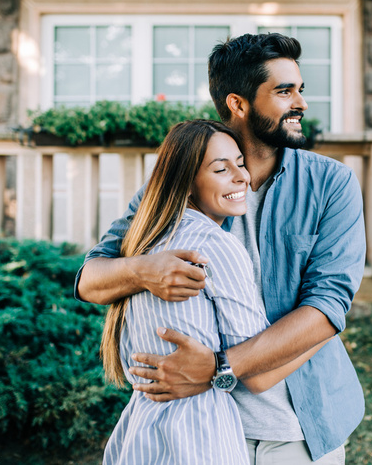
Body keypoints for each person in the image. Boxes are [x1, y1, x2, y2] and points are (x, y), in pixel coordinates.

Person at [77, 33, 366, 463]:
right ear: (238, 103)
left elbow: (328, 307)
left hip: (297, 431)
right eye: (284, 91)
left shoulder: (331, 184)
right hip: (196, 431)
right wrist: (144, 270)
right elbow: (90, 281)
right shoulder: (179, 182)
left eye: (299, 90)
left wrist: (217, 368)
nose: (300, 103)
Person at [101, 119, 329, 464]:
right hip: (200, 433)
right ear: (187, 183)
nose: (242, 178)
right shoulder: (214, 246)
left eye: (241, 164)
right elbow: (259, 372)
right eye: (221, 170)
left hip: (139, 432)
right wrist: (326, 328)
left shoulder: (143, 242)